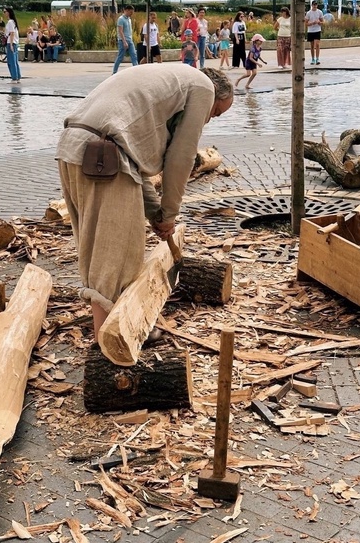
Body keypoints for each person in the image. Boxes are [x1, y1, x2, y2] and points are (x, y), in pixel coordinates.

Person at [56, 65, 233, 343]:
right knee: (118, 249)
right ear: (215, 94)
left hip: (72, 147)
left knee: (94, 245)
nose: (209, 119)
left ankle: (106, 326)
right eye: (216, 112)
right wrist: (170, 214)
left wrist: (157, 214)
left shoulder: (170, 77)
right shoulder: (202, 88)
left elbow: (135, 168)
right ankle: (112, 339)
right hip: (105, 153)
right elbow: (181, 158)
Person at [113, 5, 138, 74]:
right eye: (130, 12)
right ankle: (114, 71)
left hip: (130, 40)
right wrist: (124, 41)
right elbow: (120, 31)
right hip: (123, 40)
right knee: (120, 57)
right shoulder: (121, 19)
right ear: (126, 10)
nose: (131, 14)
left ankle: (136, 71)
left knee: (134, 55)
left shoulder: (129, 19)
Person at [3, 6, 21, 83]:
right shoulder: (13, 21)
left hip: (11, 42)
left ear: (8, 12)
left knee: (11, 61)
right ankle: (17, 76)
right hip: (14, 42)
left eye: (4, 12)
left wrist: (10, 44)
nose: (4, 13)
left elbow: (12, 33)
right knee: (15, 61)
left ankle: (14, 77)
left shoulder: (10, 22)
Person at [305, 0, 324, 65]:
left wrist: (319, 22)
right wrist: (312, 23)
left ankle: (317, 58)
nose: (315, 6)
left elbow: (322, 22)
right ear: (312, 5)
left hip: (317, 30)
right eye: (314, 5)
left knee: (317, 44)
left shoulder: (320, 12)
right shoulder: (308, 13)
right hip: (310, 30)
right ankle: (313, 58)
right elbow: (306, 23)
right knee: (312, 45)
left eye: (316, 5)